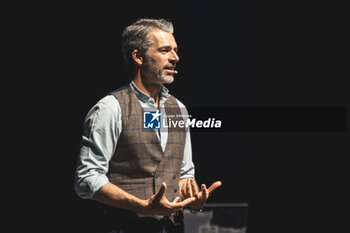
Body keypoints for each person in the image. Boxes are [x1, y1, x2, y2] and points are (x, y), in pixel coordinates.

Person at [74, 18, 222, 233]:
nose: (175, 58)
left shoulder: (178, 109)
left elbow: (182, 173)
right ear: (138, 57)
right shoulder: (110, 108)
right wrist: (143, 205)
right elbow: (87, 179)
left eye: (175, 50)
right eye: (165, 50)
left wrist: (191, 197)